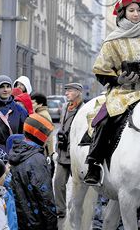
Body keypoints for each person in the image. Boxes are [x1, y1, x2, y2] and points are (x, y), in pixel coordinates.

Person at [83, 0, 140, 185]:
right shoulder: (113, 40)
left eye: (139, 10)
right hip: (123, 92)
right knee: (105, 120)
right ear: (123, 13)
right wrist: (119, 80)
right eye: (131, 10)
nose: (136, 14)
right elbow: (101, 70)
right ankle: (94, 163)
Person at [9, 113, 57, 230]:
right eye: (47, 136)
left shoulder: (16, 151)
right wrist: (52, 225)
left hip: (21, 219)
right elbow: (45, 197)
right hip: (37, 222)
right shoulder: (37, 160)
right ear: (39, 136)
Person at [55, 83, 84, 222]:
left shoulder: (83, 109)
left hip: (75, 154)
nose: (66, 94)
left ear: (78, 92)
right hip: (62, 151)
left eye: (69, 91)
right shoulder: (65, 107)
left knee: (78, 184)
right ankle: (60, 210)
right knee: (58, 182)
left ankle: (76, 209)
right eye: (66, 91)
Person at [31, 92, 55, 156]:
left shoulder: (42, 115)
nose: (31, 105)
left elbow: (48, 137)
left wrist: (48, 153)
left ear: (40, 104)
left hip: (42, 151)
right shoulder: (40, 113)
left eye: (33, 103)